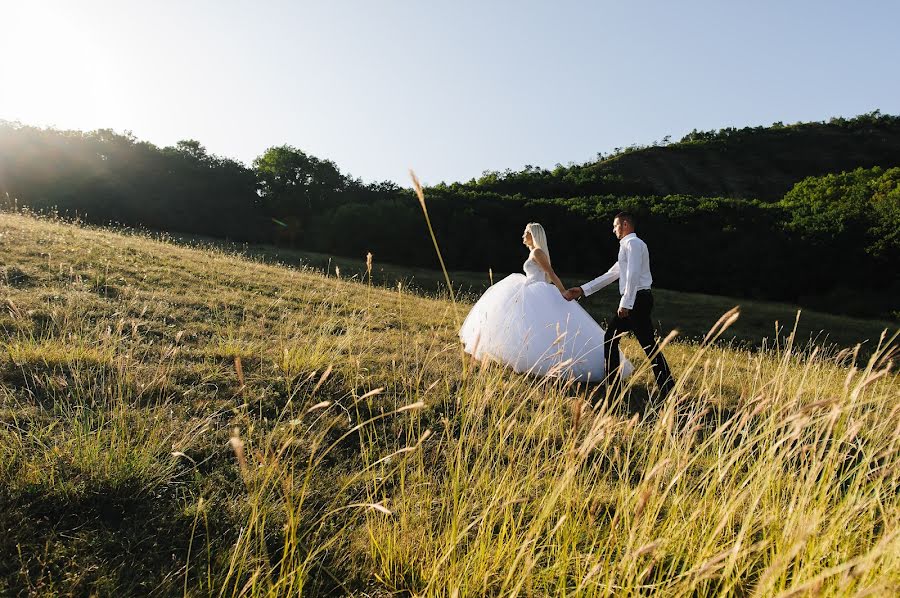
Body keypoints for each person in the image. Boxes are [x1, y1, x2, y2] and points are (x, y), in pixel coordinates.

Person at [459, 223, 632, 382]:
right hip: (528, 288)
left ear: (533, 235)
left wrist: (563, 290)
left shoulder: (537, 252)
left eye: (526, 233)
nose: (523, 235)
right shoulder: (533, 252)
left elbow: (551, 273)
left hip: (536, 291)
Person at [564, 212, 675, 398]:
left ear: (625, 224)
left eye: (615, 225)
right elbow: (612, 274)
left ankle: (614, 389)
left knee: (613, 338)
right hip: (638, 299)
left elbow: (632, 275)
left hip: (637, 300)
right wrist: (583, 289)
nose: (613, 229)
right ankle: (667, 389)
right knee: (645, 344)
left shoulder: (633, 244)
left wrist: (626, 303)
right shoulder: (628, 245)